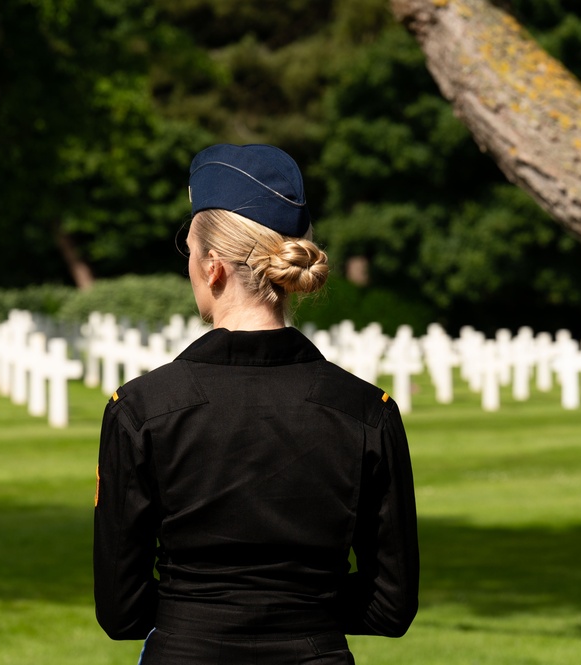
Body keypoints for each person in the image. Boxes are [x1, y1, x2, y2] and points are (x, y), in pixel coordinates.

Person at [93, 143, 419, 664]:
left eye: (190, 254)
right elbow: (390, 605)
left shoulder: (141, 409)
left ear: (213, 267)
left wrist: (199, 615)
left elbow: (121, 610)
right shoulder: (367, 411)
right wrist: (298, 610)